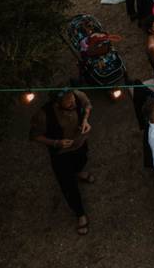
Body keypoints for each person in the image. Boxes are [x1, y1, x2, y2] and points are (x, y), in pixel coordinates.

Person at [29, 88, 93, 235]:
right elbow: (35, 136)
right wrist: (56, 143)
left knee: (82, 159)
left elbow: (87, 104)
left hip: (80, 143)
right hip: (61, 153)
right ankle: (80, 214)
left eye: (71, 99)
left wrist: (85, 119)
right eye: (67, 102)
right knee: (68, 184)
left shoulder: (77, 95)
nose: (72, 103)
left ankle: (79, 172)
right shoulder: (43, 115)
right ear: (57, 104)